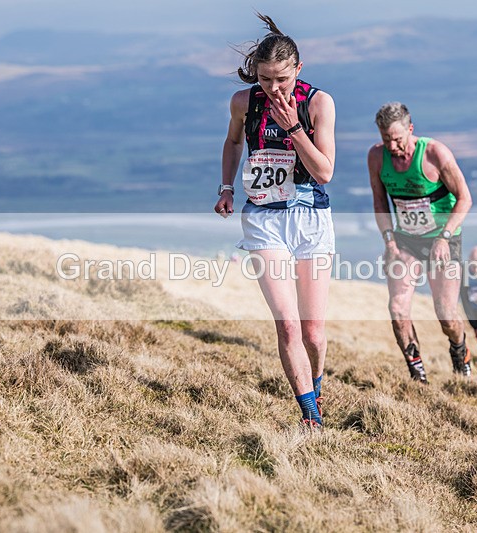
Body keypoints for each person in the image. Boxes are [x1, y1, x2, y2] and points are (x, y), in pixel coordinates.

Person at [214, 13, 336, 428]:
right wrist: (226, 187)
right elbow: (232, 142)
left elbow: (324, 172)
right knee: (287, 327)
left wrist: (294, 128)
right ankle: (310, 417)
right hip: (264, 218)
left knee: (313, 332)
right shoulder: (244, 102)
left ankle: (316, 385)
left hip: (310, 217)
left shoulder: (318, 103)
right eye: (265, 79)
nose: (273, 87)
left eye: (281, 78)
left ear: (298, 69)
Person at [368, 102, 472, 383]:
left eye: (397, 138)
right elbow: (380, 202)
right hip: (405, 241)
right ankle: (418, 376)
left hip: (443, 240)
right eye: (385, 139)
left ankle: (460, 353)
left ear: (410, 129)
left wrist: (444, 236)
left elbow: (465, 198)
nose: (392, 146)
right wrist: (389, 241)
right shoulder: (377, 157)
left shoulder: (435, 153)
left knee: (446, 315)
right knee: (398, 308)